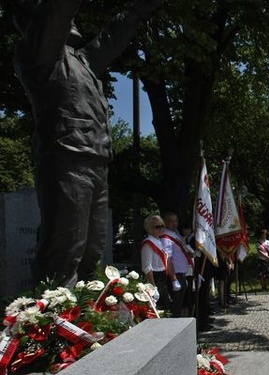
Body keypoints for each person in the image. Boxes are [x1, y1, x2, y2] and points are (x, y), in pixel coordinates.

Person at [14, 0, 164, 288]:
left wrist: (136, 11)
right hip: (67, 160)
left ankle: (84, 315)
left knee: (92, 249)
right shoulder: (39, 53)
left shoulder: (80, 61)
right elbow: (56, 12)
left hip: (97, 161)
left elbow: (111, 38)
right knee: (65, 247)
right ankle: (53, 319)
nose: (73, 21)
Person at [161, 212, 192, 317]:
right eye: (171, 221)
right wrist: (174, 279)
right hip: (175, 274)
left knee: (181, 303)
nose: (174, 223)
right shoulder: (166, 237)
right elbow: (168, 259)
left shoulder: (176, 234)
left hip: (182, 273)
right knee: (176, 305)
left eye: (176, 221)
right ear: (165, 222)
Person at [140, 215, 170, 312]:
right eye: (157, 227)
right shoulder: (148, 243)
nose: (161, 228)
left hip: (163, 277)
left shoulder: (159, 241)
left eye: (162, 226)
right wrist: (153, 287)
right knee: (158, 309)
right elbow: (147, 267)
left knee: (166, 308)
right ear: (149, 228)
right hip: (155, 278)